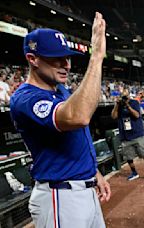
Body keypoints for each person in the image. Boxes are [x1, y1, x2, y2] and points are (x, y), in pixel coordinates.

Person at [10, 13, 111, 228]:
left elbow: (76, 140)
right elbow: (80, 117)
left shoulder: (61, 90)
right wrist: (96, 57)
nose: (66, 64)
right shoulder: (26, 99)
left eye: (67, 56)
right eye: (56, 57)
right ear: (32, 59)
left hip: (84, 191)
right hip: (60, 197)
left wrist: (94, 173)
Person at [111, 89, 144, 181]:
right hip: (125, 135)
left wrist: (128, 106)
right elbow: (113, 116)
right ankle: (134, 172)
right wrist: (117, 104)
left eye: (125, 96)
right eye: (122, 96)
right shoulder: (119, 105)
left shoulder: (134, 102)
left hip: (137, 133)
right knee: (128, 156)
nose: (124, 98)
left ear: (128, 96)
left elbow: (136, 115)